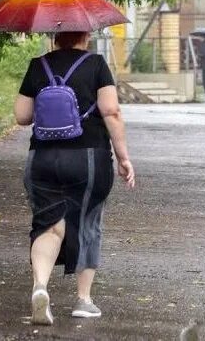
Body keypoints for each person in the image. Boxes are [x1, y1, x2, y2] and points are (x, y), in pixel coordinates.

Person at [15, 30, 136, 326]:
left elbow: (21, 115)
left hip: (42, 159)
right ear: (86, 34)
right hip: (89, 158)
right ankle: (83, 300)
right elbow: (111, 112)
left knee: (49, 225)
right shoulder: (96, 64)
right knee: (87, 224)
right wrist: (123, 158)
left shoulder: (37, 65)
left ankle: (40, 288)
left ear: (55, 35)